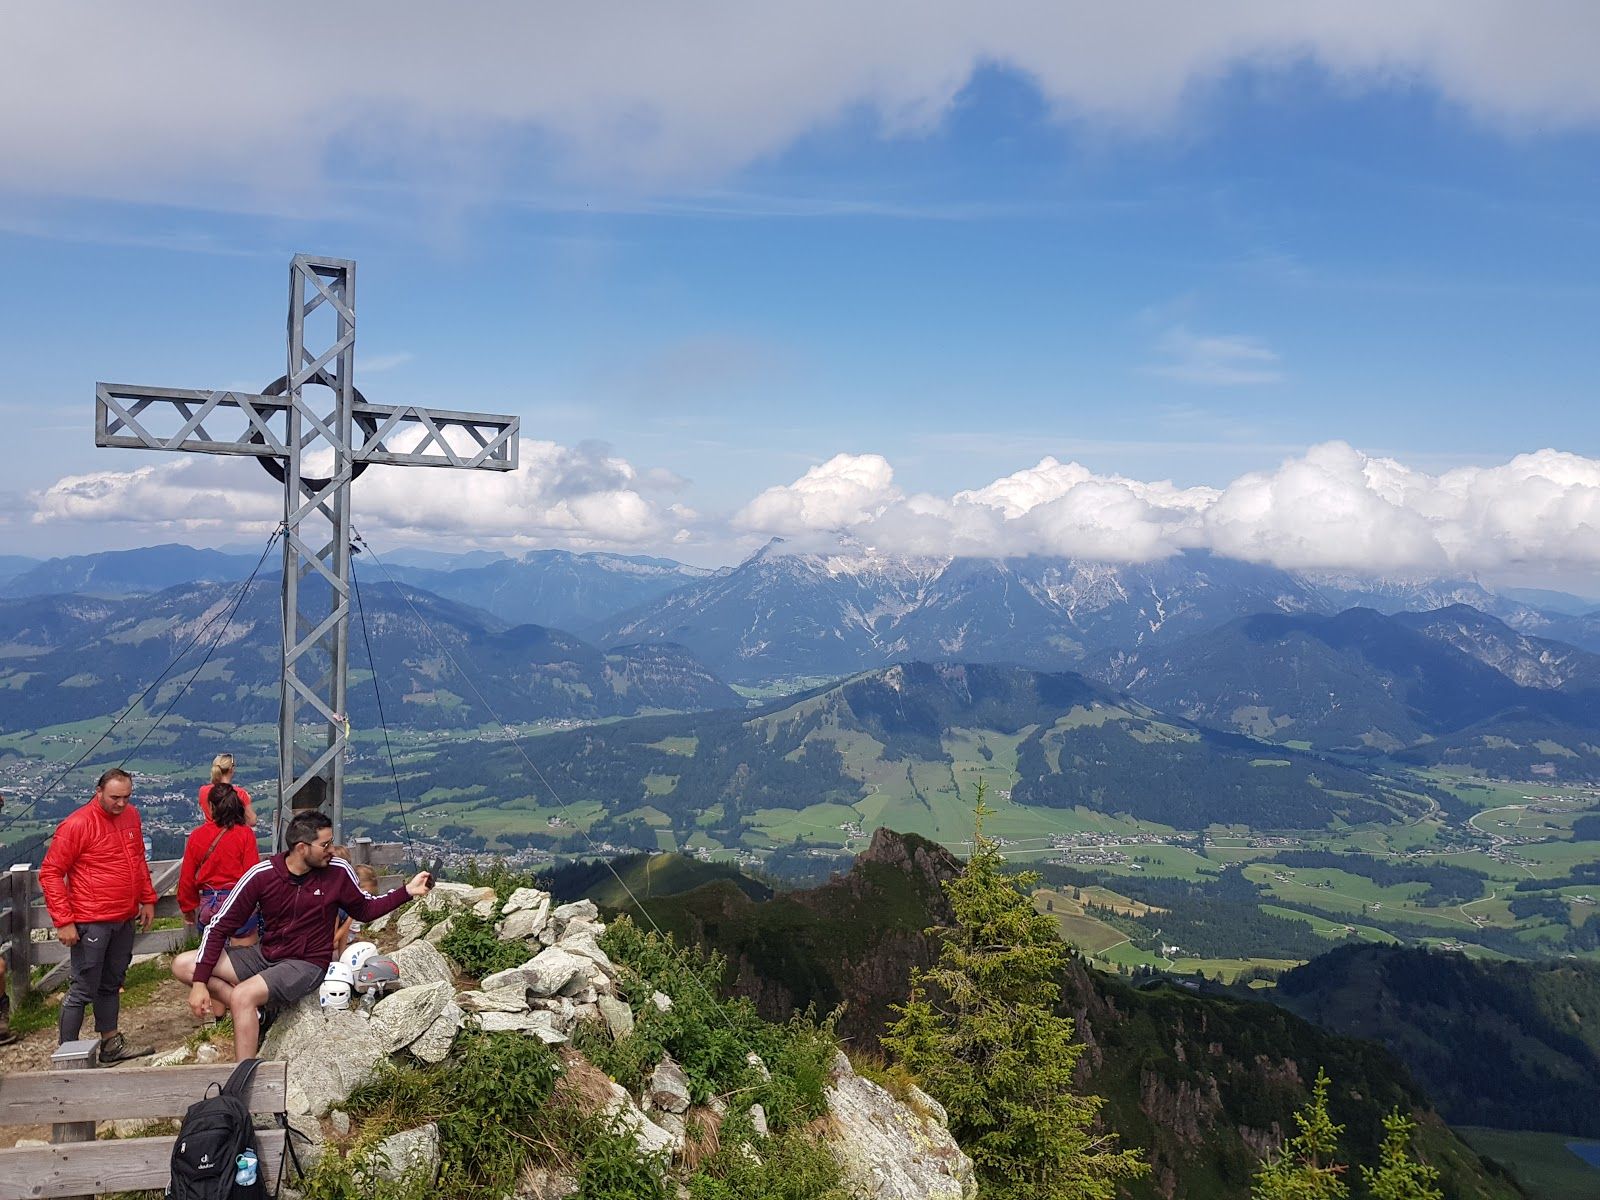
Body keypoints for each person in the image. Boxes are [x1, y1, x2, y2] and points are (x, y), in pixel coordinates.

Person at [172, 811, 432, 1062]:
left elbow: (365, 909)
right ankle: (255, 1014)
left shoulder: (337, 871)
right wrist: (199, 984)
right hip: (267, 955)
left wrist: (406, 891)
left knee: (243, 995)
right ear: (301, 848)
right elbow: (219, 926)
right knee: (184, 965)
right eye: (325, 844)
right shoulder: (264, 875)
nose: (332, 850)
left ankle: (241, 1085)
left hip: (307, 963)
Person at [39, 768, 157, 1063]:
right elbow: (51, 873)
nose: (121, 803)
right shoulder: (77, 824)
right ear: (99, 791)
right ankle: (67, 1052)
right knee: (82, 987)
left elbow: (137, 858)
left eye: (126, 797)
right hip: (92, 917)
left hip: (123, 916)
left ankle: (110, 1044)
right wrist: (64, 921)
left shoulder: (131, 816)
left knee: (112, 982)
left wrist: (147, 899)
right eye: (115, 797)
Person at [178, 781, 262, 952]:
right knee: (241, 964)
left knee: (212, 963)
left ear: (211, 806)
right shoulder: (245, 834)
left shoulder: (197, 835)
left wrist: (188, 908)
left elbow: (186, 878)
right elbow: (252, 875)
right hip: (238, 904)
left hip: (210, 905)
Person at [332, 862, 380, 957]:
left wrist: (342, 955)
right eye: (364, 891)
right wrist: (349, 920)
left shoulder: (347, 906)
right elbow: (331, 941)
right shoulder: (338, 906)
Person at [198, 753, 257, 827]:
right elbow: (252, 821)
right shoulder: (239, 793)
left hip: (209, 833)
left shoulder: (203, 791)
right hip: (231, 834)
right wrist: (248, 800)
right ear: (231, 769)